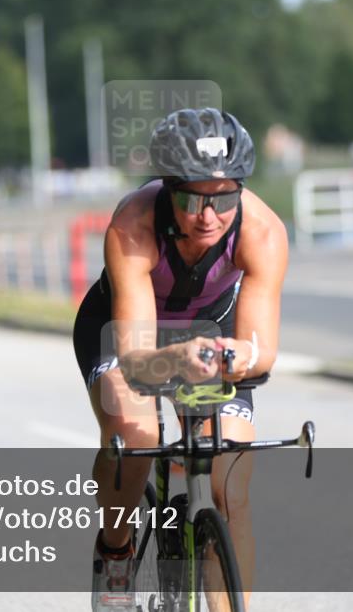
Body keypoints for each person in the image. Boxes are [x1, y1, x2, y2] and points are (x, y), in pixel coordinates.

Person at [74, 108, 288, 611]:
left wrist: (240, 356)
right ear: (168, 188)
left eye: (224, 199)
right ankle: (116, 550)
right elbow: (135, 360)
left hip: (213, 330)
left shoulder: (263, 232)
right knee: (136, 438)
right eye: (192, 200)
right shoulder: (132, 225)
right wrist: (177, 357)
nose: (208, 217)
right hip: (125, 331)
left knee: (229, 484)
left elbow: (262, 351)